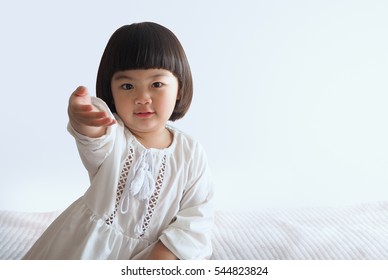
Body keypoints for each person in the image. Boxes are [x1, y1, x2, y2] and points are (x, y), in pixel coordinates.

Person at [23, 22, 214, 260]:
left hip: (154, 253)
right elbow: (94, 137)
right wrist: (82, 118)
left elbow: (197, 216)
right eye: (127, 86)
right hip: (89, 249)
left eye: (156, 84)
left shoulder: (191, 153)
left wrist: (165, 254)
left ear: (179, 90)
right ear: (111, 92)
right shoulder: (113, 135)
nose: (142, 98)